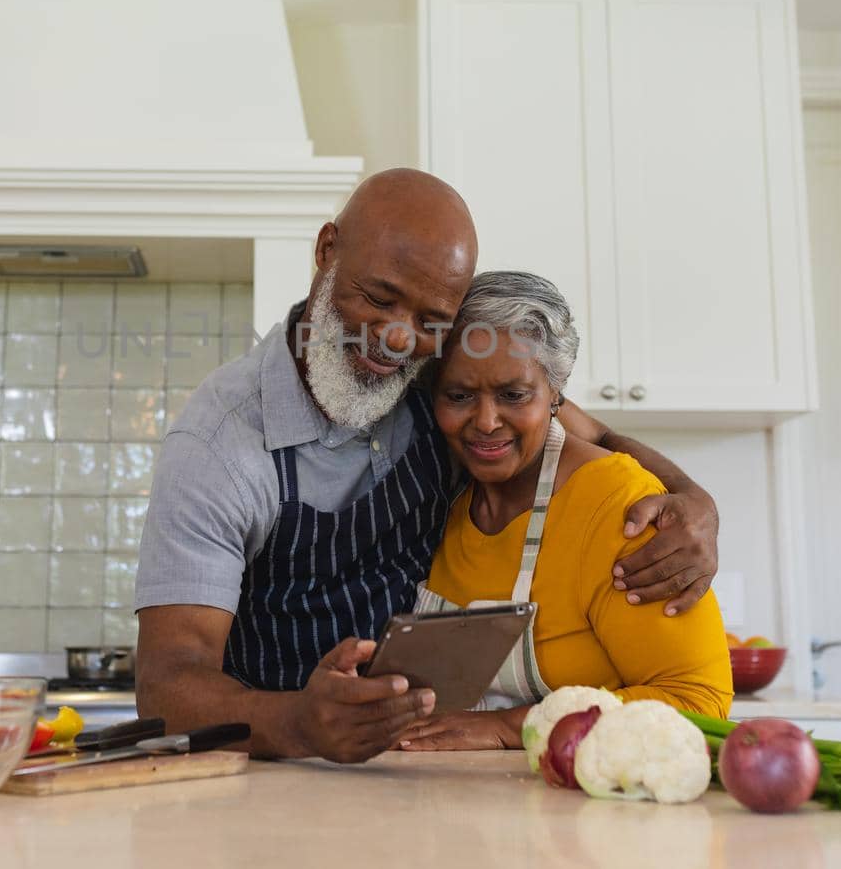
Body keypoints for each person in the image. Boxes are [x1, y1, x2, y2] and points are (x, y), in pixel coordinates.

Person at [135, 169, 723, 763]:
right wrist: (297, 722)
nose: (395, 337)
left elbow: (580, 427)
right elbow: (166, 688)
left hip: (416, 775)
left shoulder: (438, 375)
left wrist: (690, 496)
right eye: (378, 298)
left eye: (429, 320)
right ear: (327, 251)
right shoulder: (218, 446)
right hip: (273, 776)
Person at [398, 271, 733, 752]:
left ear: (557, 394)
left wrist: (512, 726)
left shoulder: (617, 501)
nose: (486, 422)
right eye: (459, 396)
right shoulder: (442, 485)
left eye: (514, 395)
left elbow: (698, 703)